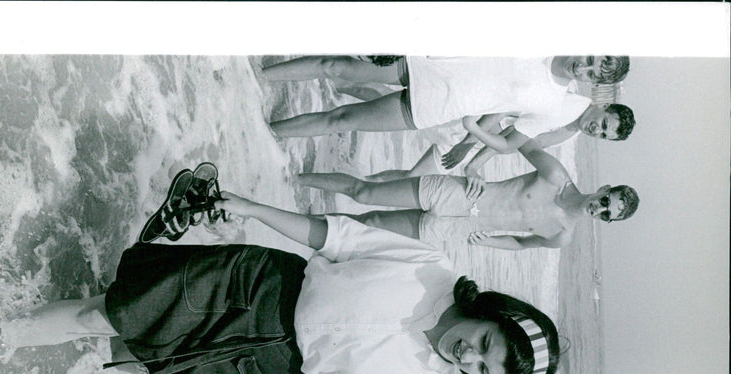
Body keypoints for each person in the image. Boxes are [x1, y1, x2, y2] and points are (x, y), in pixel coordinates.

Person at [0, 183, 561, 374]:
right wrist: (251, 209)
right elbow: (337, 238)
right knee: (112, 313)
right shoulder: (431, 267)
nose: (471, 356)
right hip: (261, 283)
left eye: (485, 369)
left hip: (265, 358)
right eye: (486, 341)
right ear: (491, 314)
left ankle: (150, 253)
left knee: (133, 357)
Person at [298, 137, 640, 251]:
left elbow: (521, 244)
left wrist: (487, 241)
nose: (601, 209)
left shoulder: (562, 235)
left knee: (368, 224)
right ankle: (293, 176)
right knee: (364, 192)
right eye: (607, 201)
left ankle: (295, 221)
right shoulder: (556, 176)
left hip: (458, 230)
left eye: (608, 214)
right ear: (604, 189)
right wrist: (475, 167)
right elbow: (517, 137)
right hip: (459, 195)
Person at [265, 55, 630, 144]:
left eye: (594, 73)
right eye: (593, 58)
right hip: (427, 65)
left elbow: (503, 132)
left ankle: (262, 133)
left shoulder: (551, 105)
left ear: (595, 83)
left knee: (341, 120)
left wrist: (470, 136)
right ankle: (253, 78)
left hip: (439, 107)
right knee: (334, 65)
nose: (585, 66)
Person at [364, 103, 636, 182]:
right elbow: (504, 107)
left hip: (472, 135)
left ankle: (358, 181)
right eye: (602, 124)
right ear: (603, 106)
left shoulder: (572, 131)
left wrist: (474, 166)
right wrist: (468, 144)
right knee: (399, 113)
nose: (596, 131)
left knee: (413, 179)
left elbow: (512, 139)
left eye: (602, 135)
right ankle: (339, 87)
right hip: (468, 120)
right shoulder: (566, 105)